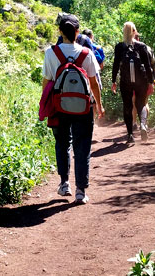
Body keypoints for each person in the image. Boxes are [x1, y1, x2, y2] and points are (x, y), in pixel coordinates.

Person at [42, 13, 104, 204]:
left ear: (60, 31)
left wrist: (45, 104)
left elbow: (46, 83)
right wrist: (99, 105)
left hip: (59, 106)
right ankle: (80, 191)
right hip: (83, 106)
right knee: (82, 146)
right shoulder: (87, 53)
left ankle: (64, 184)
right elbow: (94, 83)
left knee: (62, 143)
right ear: (77, 32)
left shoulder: (51, 53)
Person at [111, 21, 155, 144]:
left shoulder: (119, 47)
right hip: (141, 80)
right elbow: (147, 66)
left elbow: (115, 65)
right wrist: (151, 82)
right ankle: (143, 125)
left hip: (125, 81)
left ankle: (130, 135)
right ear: (135, 32)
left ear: (124, 32)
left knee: (128, 105)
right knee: (141, 104)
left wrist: (113, 81)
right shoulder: (141, 46)